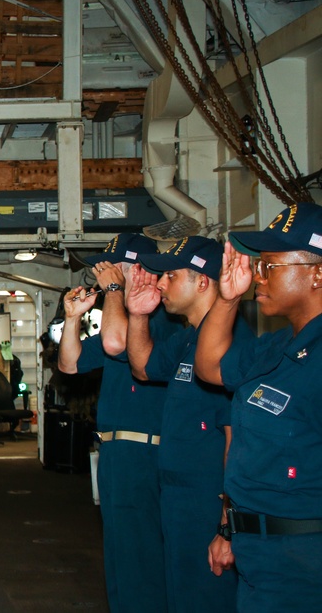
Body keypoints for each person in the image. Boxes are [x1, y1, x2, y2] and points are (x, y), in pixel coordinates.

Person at [194, 203, 322, 613]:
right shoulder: (278, 346)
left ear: (316, 273)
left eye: (270, 267)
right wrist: (228, 300)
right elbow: (211, 367)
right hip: (260, 555)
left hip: (304, 561)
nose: (258, 278)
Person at [125, 235, 251, 613]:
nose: (160, 284)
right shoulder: (187, 340)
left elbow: (236, 440)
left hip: (207, 499)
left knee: (207, 599)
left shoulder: (233, 347)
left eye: (170, 276)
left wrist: (226, 524)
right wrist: (137, 315)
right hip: (176, 496)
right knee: (181, 597)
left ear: (202, 281)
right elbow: (143, 366)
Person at [58, 232, 180, 613]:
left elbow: (114, 342)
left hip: (145, 452)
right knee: (121, 559)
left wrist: (114, 290)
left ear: (138, 270)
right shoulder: (122, 316)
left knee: (141, 561)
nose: (103, 276)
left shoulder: (160, 319)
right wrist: (72, 319)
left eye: (113, 268)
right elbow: (70, 363)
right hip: (116, 453)